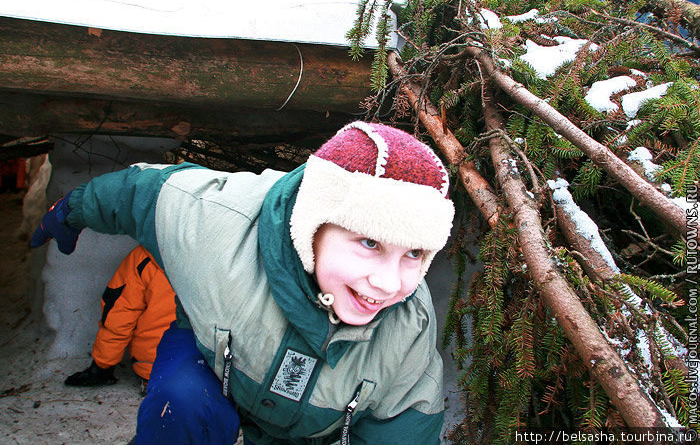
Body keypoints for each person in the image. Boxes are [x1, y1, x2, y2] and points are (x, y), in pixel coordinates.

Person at [31, 121, 455, 445]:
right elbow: (137, 193)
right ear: (313, 223)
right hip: (210, 357)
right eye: (368, 242)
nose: (387, 283)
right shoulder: (219, 223)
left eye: (413, 253)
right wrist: (69, 210)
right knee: (181, 404)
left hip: (311, 426)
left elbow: (405, 425)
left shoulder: (407, 321)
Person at [64, 245, 176, 388]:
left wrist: (102, 367)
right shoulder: (211, 254)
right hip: (206, 367)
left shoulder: (145, 257)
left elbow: (119, 315)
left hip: (157, 366)